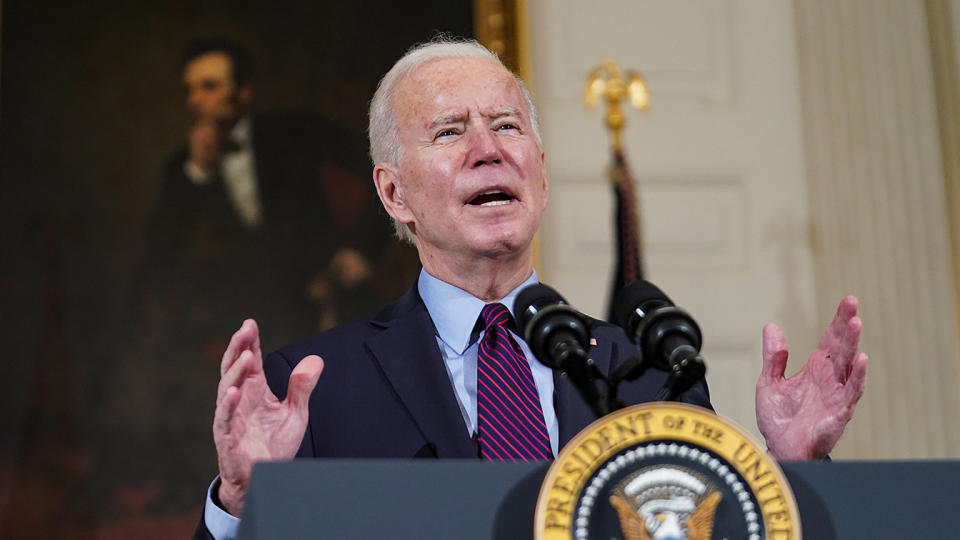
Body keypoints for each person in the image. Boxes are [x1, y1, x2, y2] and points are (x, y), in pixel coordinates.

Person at [194, 39, 868, 539]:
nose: (488, 149)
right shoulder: (318, 386)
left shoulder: (648, 374)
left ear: (540, 177)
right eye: (450, 131)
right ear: (394, 193)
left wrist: (797, 470)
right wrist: (240, 502)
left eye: (507, 126)